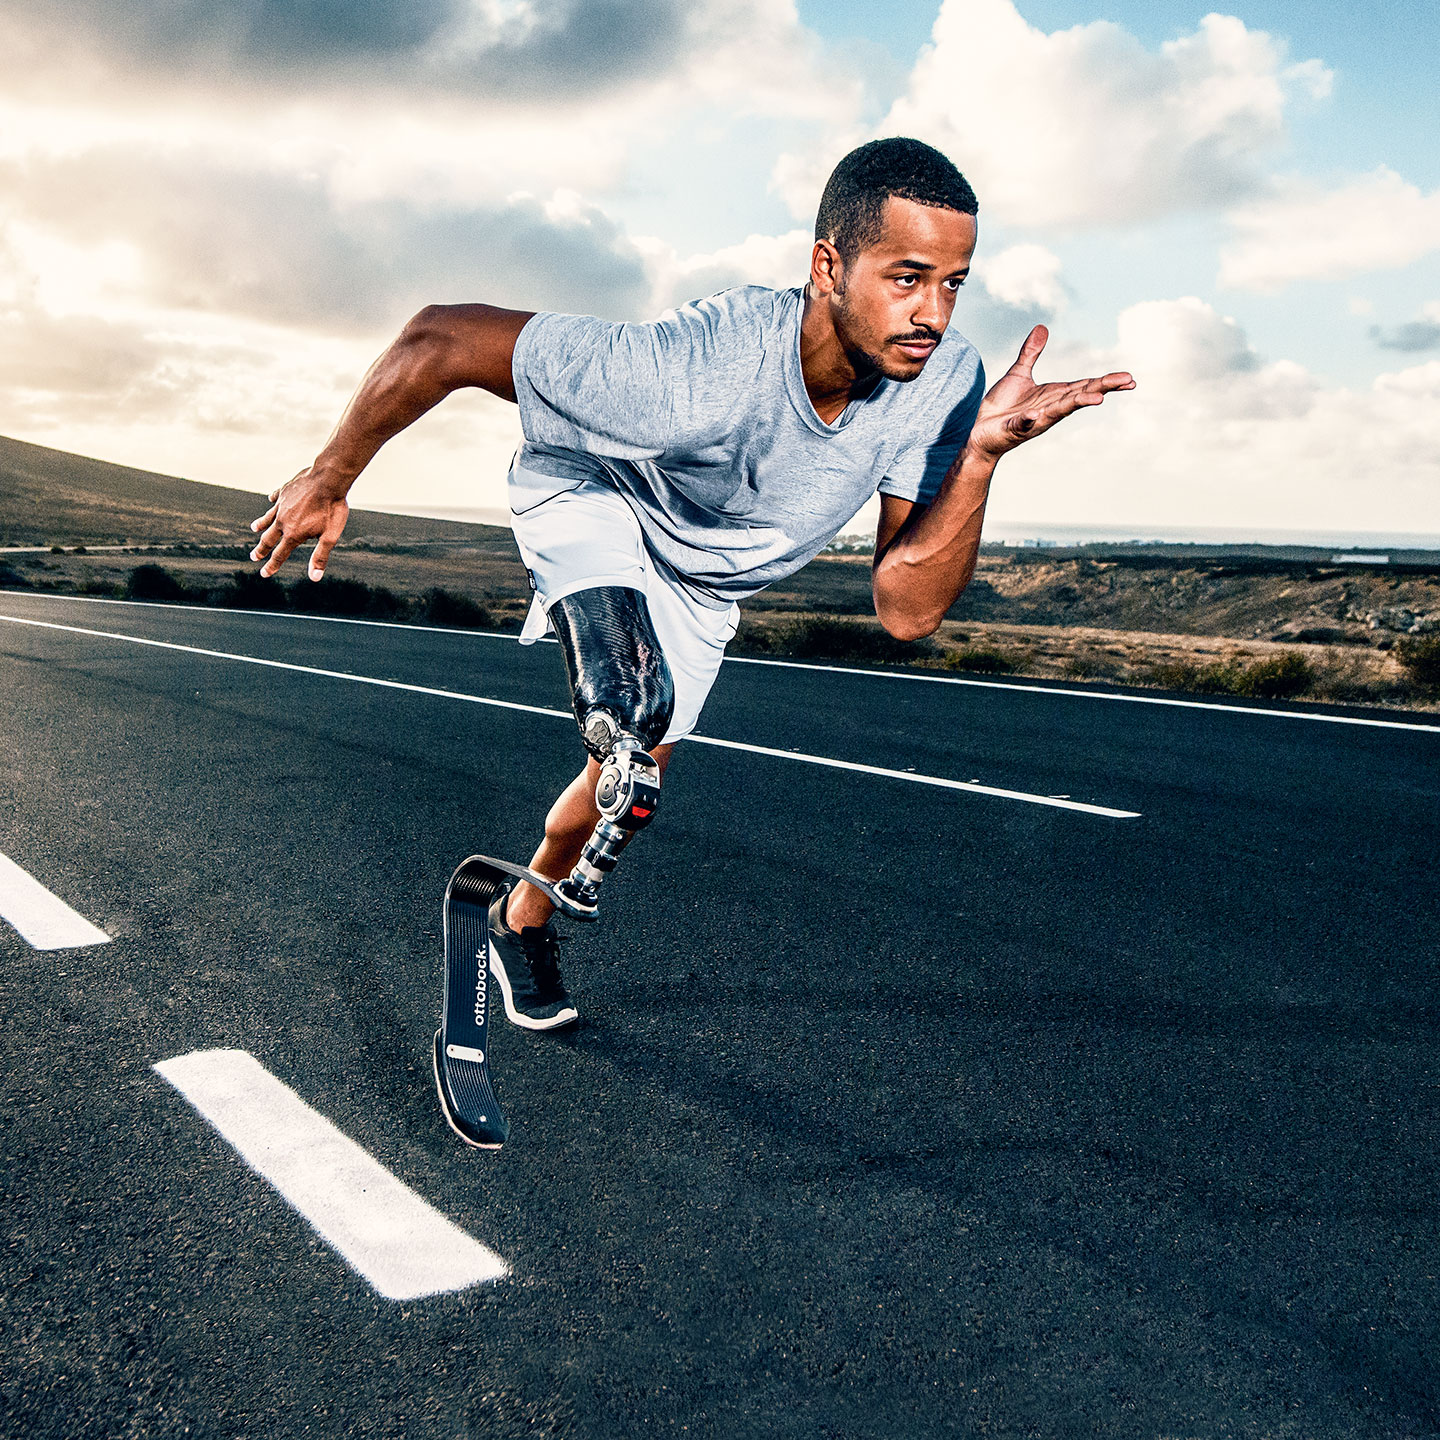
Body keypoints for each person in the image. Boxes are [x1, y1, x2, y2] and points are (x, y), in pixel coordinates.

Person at [249, 137, 1134, 1036]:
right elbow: (440, 336)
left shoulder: (943, 383)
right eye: (906, 277)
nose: (933, 313)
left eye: (953, 283)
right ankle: (618, 688)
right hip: (599, 493)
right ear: (828, 264)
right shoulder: (696, 368)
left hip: (704, 586)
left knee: (625, 792)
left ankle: (522, 915)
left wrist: (980, 457)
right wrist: (330, 475)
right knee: (635, 703)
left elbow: (906, 609)